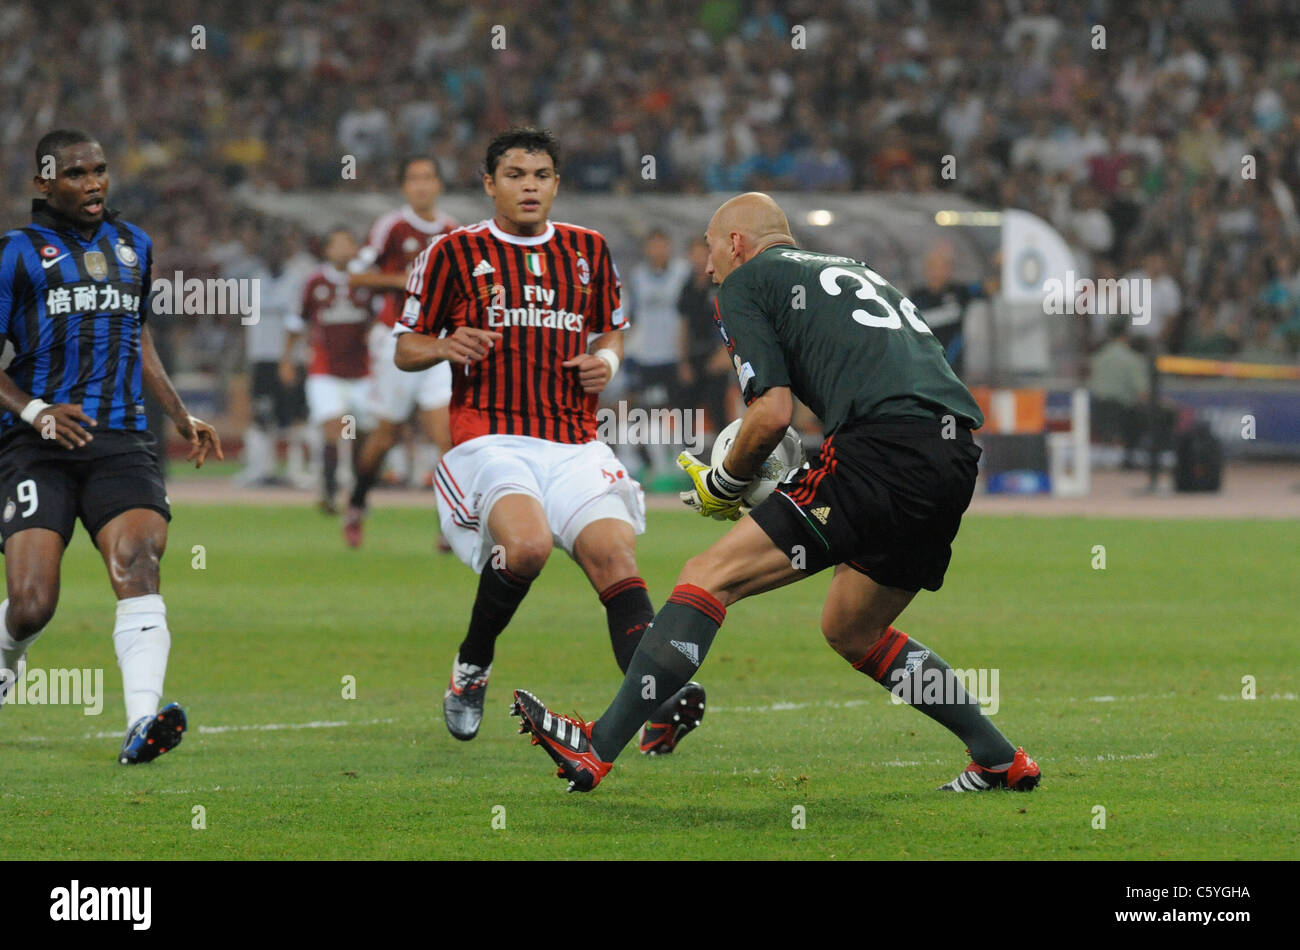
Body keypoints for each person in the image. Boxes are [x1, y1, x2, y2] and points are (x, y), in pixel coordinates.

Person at [512, 192, 1041, 794]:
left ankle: (596, 747)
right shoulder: (853, 270)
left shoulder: (746, 283)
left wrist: (725, 482)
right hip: (952, 458)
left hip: (882, 452)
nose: (708, 268)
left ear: (736, 243)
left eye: (711, 249)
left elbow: (770, 415)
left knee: (707, 575)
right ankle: (1000, 758)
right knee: (853, 628)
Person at [395, 127, 704, 752]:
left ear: (556, 184)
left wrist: (608, 365)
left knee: (616, 555)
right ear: (489, 184)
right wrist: (444, 345)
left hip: (574, 441)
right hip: (491, 437)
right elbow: (405, 348)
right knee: (528, 547)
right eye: (514, 175)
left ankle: (659, 705)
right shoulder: (451, 253)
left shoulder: (589, 250)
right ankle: (472, 666)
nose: (529, 186)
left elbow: (612, 333)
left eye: (540, 175)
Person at [0, 129, 222, 763]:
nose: (93, 183)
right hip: (35, 442)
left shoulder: (133, 245)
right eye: (75, 174)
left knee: (138, 560)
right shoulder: (14, 254)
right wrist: (36, 410)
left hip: (121, 437)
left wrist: (178, 412)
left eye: (99, 170)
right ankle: (6, 658)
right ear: (44, 184)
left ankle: (141, 722)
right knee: (32, 605)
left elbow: (137, 334)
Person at [343, 156, 459, 548]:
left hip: (437, 343)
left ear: (439, 185)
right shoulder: (391, 227)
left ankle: (450, 523)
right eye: (414, 179)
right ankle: (357, 502)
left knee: (446, 435)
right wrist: (399, 278)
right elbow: (356, 275)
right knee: (386, 434)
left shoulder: (451, 231)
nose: (421, 185)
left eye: (428, 178)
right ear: (405, 187)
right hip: (395, 339)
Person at [280, 227, 375, 514]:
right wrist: (286, 360)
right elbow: (296, 322)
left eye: (349, 244)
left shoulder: (368, 281)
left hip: (363, 371)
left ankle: (358, 494)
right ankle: (330, 490)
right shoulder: (315, 282)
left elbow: (380, 318)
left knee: (362, 434)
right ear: (327, 251)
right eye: (338, 245)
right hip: (325, 370)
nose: (344, 250)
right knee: (333, 428)